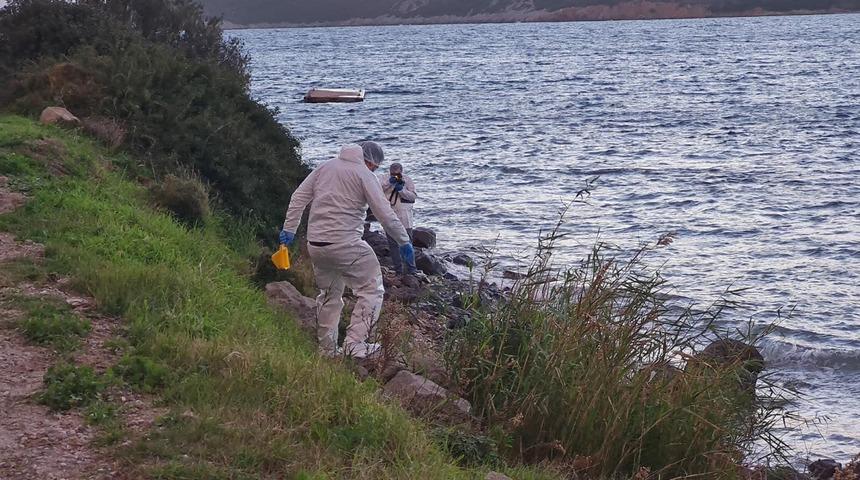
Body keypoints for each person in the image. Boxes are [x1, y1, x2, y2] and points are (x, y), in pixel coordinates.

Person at [279, 142, 416, 358]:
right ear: (370, 161)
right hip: (346, 243)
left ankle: (327, 350)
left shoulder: (324, 167)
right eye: (375, 167)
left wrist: (289, 231)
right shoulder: (364, 174)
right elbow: (384, 212)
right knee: (372, 288)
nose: (374, 170)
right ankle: (355, 344)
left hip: (316, 245)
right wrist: (404, 241)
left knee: (328, 295)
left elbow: (298, 198)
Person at [380, 162, 418, 275]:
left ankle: (411, 269)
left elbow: (413, 197)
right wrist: (389, 183)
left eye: (398, 174)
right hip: (390, 213)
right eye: (393, 174)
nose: (396, 176)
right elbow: (377, 190)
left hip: (405, 215)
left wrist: (401, 190)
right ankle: (398, 270)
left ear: (402, 172)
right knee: (393, 244)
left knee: (407, 242)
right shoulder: (383, 179)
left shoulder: (407, 180)